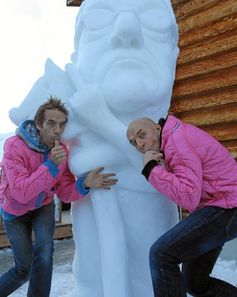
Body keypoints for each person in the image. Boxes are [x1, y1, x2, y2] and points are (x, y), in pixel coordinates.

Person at [8, 0, 180, 296]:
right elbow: (60, 186)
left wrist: (101, 121)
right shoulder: (59, 132)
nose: (126, 31)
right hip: (91, 265)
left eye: (152, 18)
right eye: (100, 18)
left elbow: (166, 179)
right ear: (77, 55)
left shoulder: (175, 134)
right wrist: (81, 180)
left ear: (174, 54)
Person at [0, 97, 117, 297]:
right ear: (38, 124)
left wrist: (84, 183)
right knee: (24, 269)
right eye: (51, 123)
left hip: (43, 206)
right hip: (14, 211)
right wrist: (51, 166)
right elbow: (21, 192)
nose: (57, 130)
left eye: (62, 124)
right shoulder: (14, 146)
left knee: (45, 255)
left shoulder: (60, 150)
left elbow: (64, 191)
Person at [127, 114, 237, 297]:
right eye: (133, 142)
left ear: (156, 127)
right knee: (194, 282)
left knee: (161, 255)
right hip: (221, 205)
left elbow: (188, 196)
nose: (140, 144)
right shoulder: (175, 136)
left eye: (142, 135)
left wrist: (151, 170)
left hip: (228, 205)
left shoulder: (176, 143)